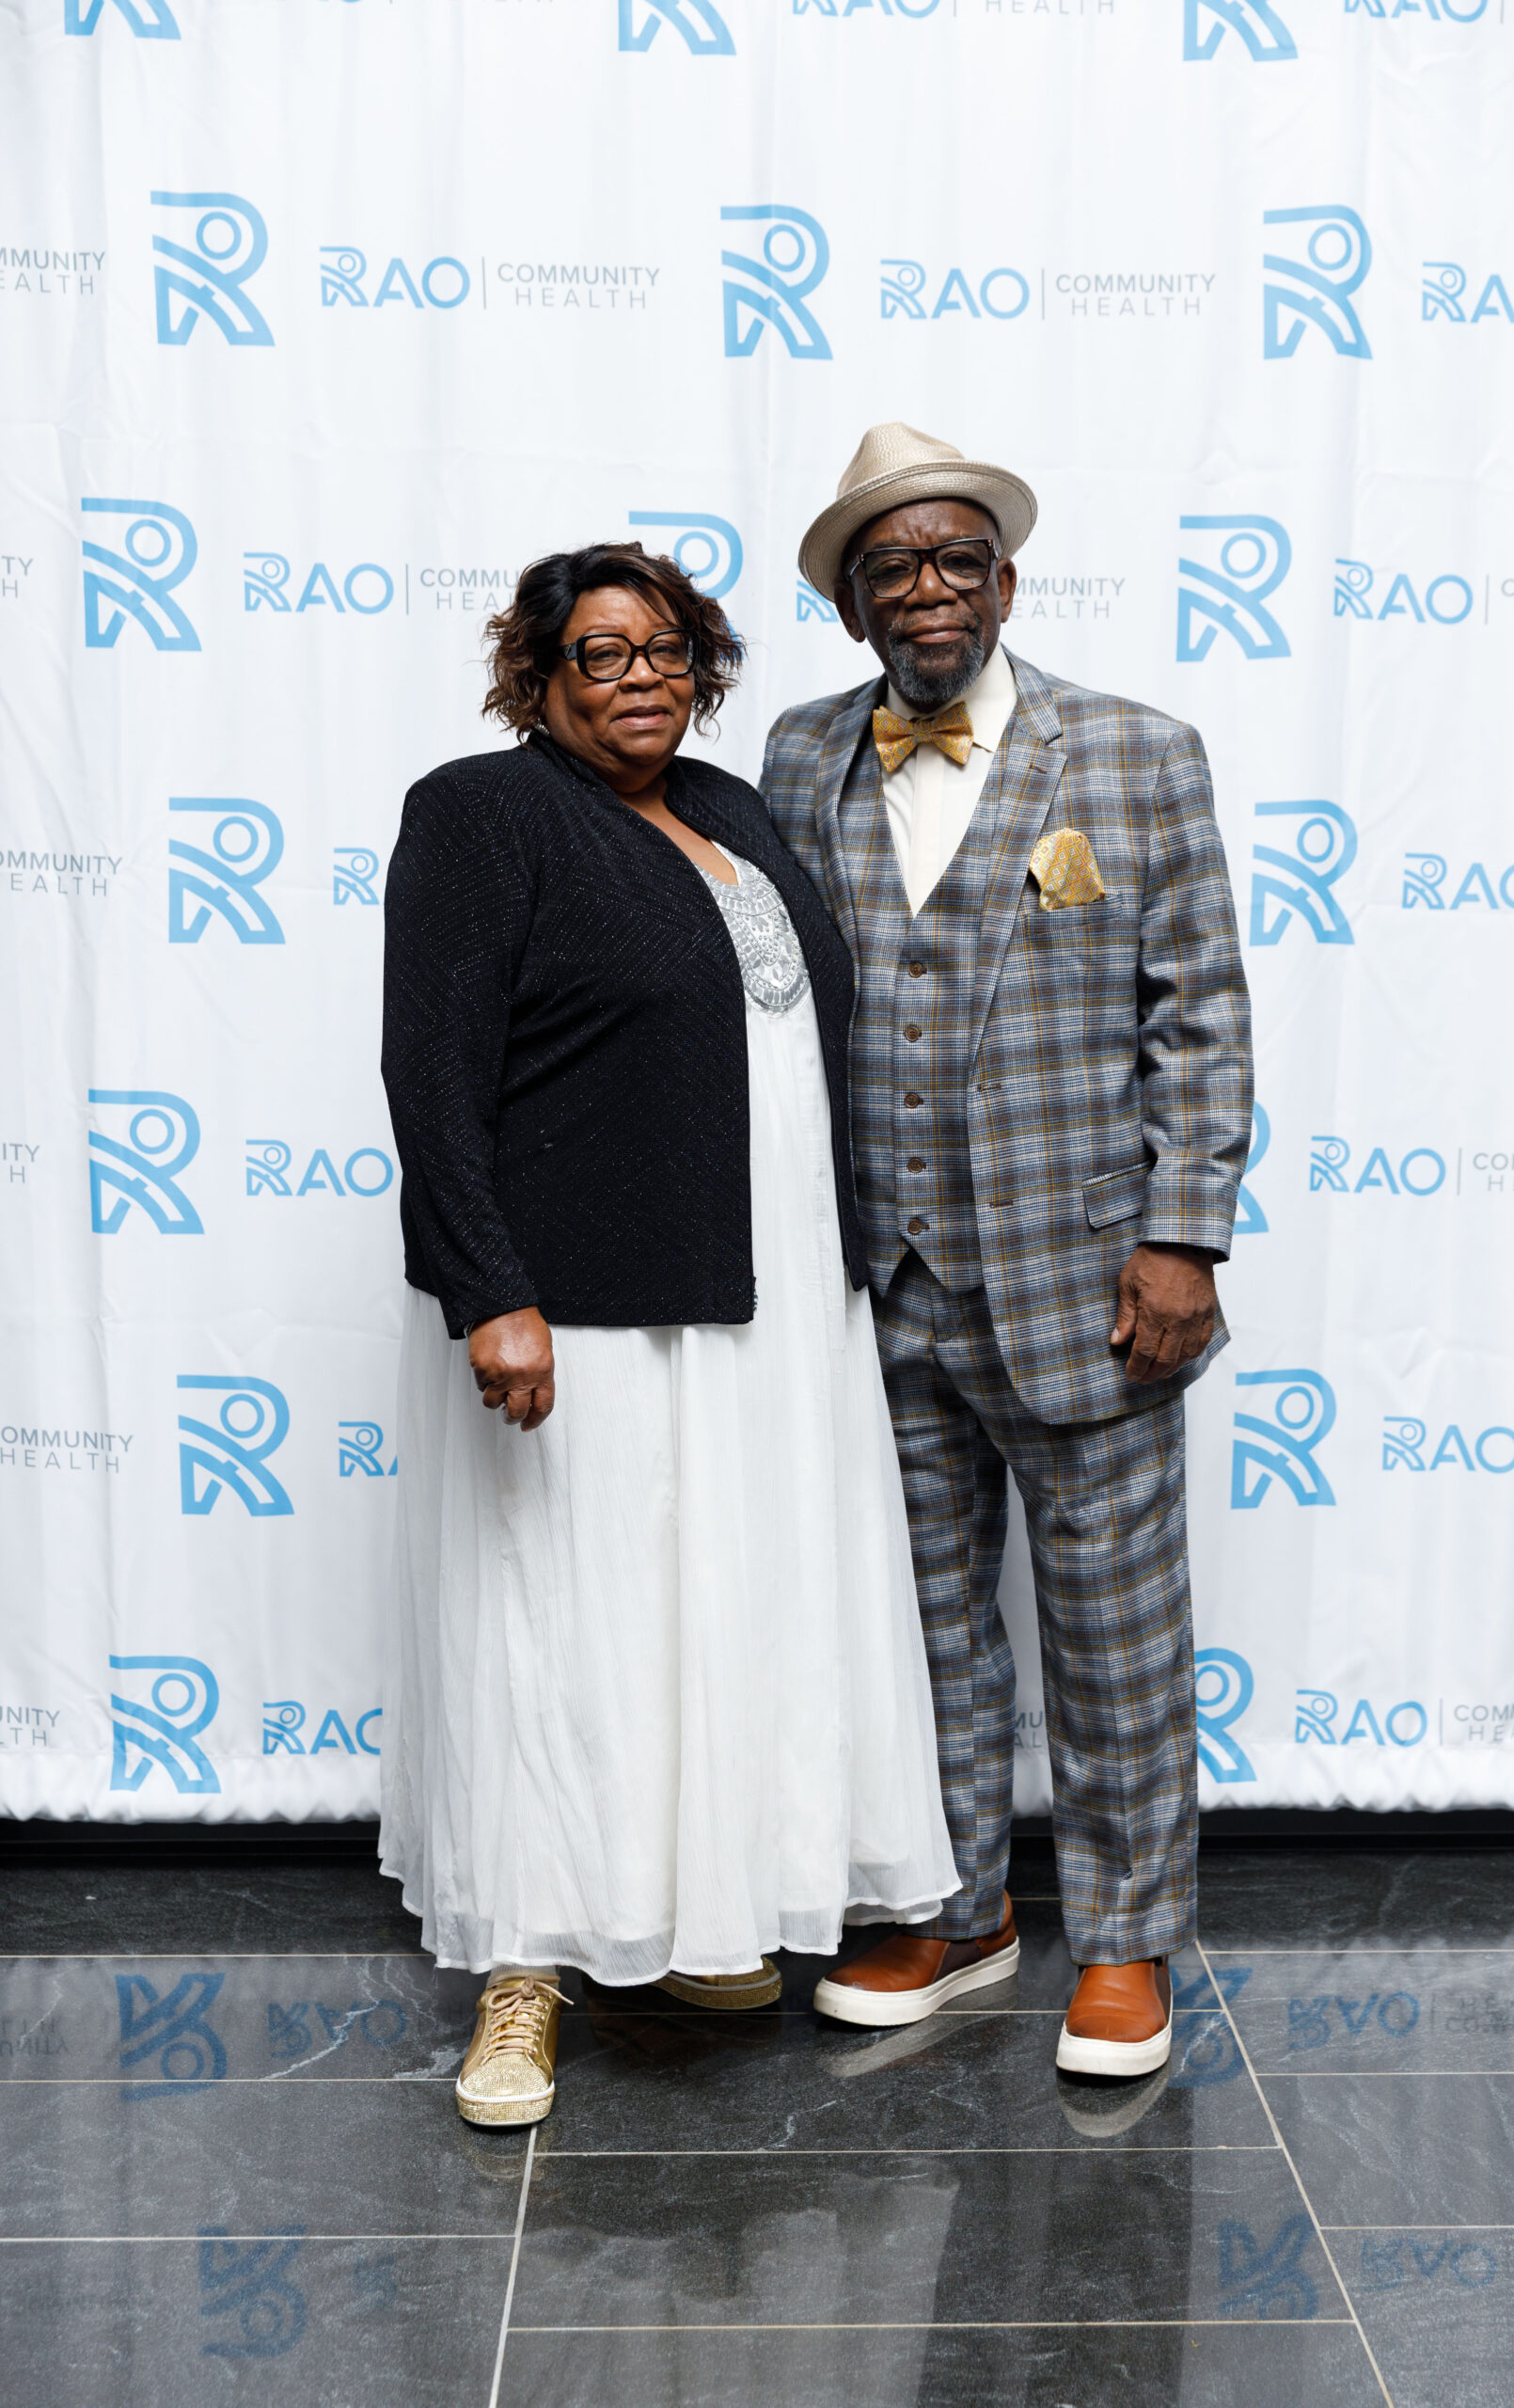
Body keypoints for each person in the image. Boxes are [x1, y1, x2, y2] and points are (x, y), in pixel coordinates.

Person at [379, 540, 958, 2129]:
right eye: (601, 653)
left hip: (763, 1300)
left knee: (708, 1620)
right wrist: (490, 1291)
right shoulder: (481, 812)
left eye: (667, 650)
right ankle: (521, 1976)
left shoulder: (728, 808)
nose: (640, 677)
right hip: (583, 1301)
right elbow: (431, 1071)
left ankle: (691, 1920)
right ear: (539, 677)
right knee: (555, 1627)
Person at [763, 424, 1253, 2077]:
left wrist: (1183, 1238)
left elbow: (1201, 1015)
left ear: (1007, 584)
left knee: (1115, 1629)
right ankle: (953, 1906)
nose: (929, 588)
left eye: (957, 559)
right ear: (852, 605)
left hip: (1085, 1283)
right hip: (871, 1281)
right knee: (916, 1628)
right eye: (892, 566)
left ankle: (1123, 1940)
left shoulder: (1136, 754)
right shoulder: (795, 756)